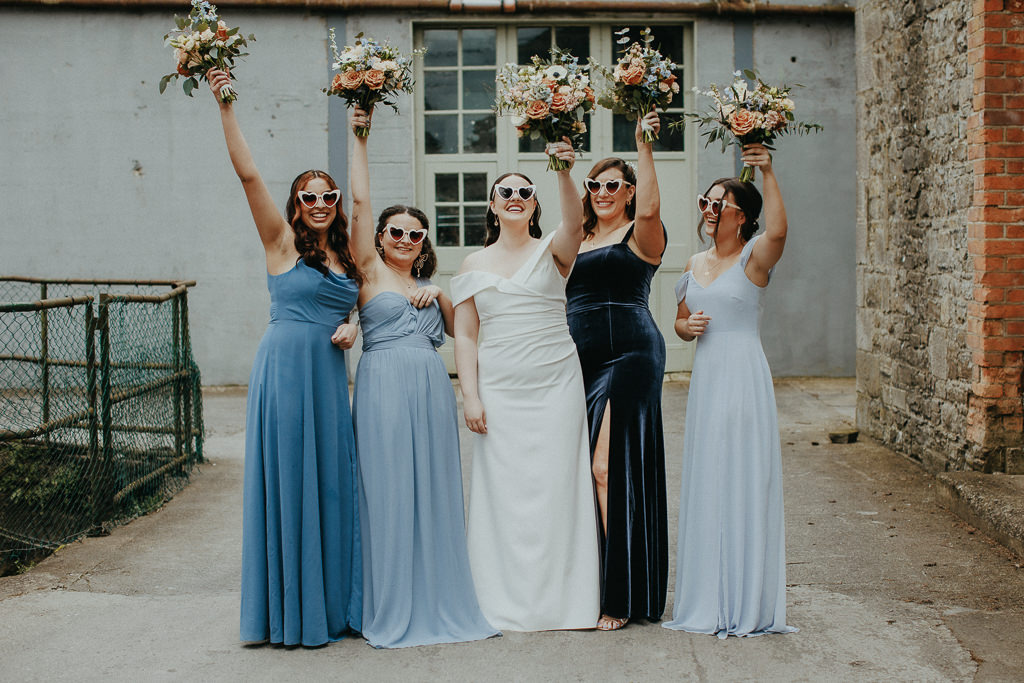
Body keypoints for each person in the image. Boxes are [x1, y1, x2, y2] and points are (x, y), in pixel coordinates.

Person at [206, 69, 363, 647]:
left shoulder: (348, 255)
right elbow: (248, 174)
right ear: (296, 206)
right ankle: (288, 615)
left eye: (329, 196)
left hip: (327, 376)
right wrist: (226, 104)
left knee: (329, 484)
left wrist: (352, 325)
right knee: (289, 481)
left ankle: (329, 609)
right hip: (285, 372)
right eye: (308, 197)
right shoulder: (279, 242)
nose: (319, 204)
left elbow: (365, 308)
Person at [344, 108, 498, 648]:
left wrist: (444, 296)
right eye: (397, 232)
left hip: (431, 388)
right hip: (383, 385)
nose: (406, 239)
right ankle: (386, 600)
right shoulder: (367, 272)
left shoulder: (434, 284)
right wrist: (359, 133)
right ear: (381, 237)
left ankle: (438, 595)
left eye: (416, 233)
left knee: (433, 489)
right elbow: (359, 202)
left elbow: (466, 332)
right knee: (385, 490)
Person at [450, 142, 600, 631]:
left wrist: (563, 171)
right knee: (505, 493)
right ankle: (501, 599)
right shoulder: (473, 263)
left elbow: (577, 223)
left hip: (555, 382)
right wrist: (470, 395)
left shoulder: (554, 247)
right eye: (505, 192)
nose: (515, 197)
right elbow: (467, 333)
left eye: (524, 192)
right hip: (500, 388)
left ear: (534, 204)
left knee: (558, 485)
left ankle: (564, 601)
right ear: (492, 206)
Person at [663, 143, 797, 638]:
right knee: (709, 476)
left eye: (719, 203)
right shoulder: (692, 263)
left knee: (741, 474)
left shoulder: (754, 257)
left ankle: (744, 598)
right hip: (707, 379)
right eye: (705, 201)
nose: (708, 209)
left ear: (742, 218)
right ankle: (706, 596)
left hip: (742, 375)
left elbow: (779, 230)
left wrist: (767, 170)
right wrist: (686, 328)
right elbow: (678, 322)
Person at [565, 111, 668, 631]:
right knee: (580, 475)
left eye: (613, 184)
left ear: (628, 191)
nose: (603, 191)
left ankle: (619, 596)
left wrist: (643, 146)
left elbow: (651, 206)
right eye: (596, 184)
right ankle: (585, 583)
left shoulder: (641, 233)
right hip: (577, 360)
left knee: (607, 469)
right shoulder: (575, 237)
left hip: (632, 354)